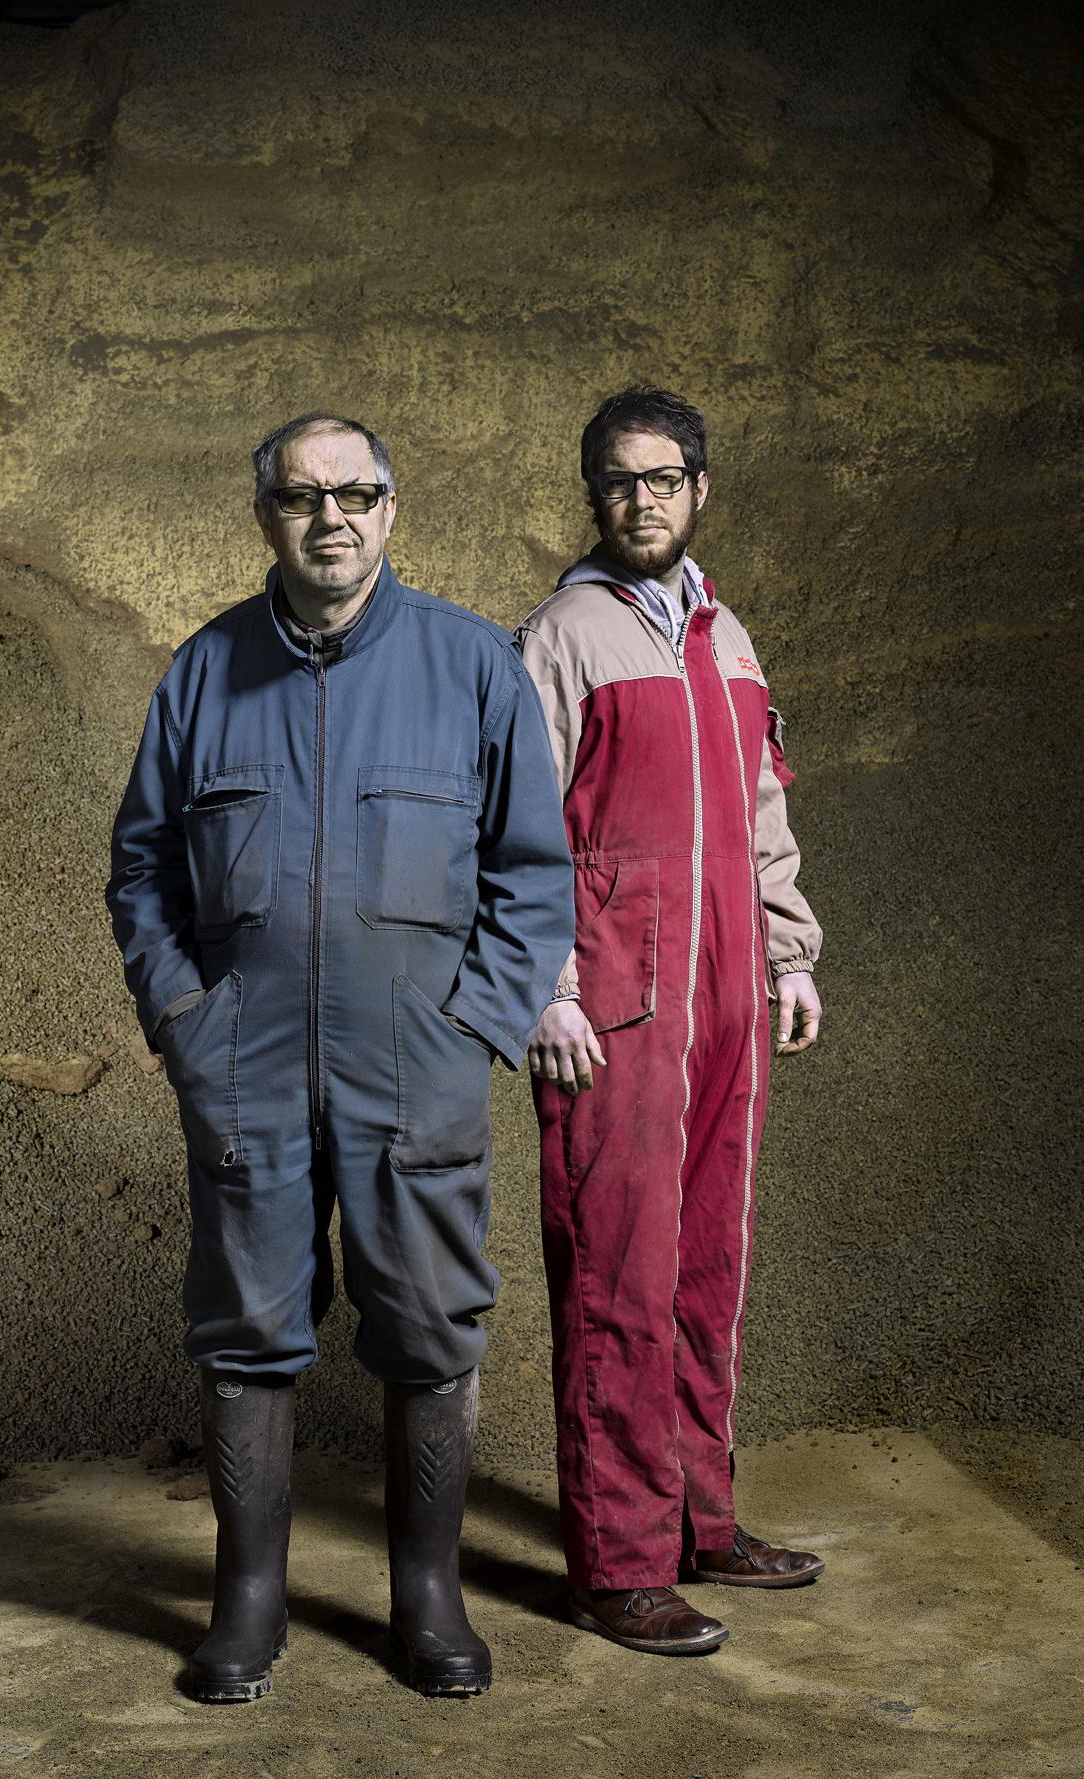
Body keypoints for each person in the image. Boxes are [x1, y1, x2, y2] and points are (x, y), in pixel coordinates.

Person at [106, 412, 574, 1700]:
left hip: (415, 1072)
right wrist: (183, 1020)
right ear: (265, 515)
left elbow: (536, 880)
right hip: (244, 1072)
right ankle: (247, 1601)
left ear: (390, 509)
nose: (332, 518)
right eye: (303, 498)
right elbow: (141, 870)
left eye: (355, 494)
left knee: (429, 1330)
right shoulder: (204, 671)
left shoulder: (473, 666)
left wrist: (471, 1029)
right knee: (247, 1333)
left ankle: (426, 1597)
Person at [516, 385, 826, 1658]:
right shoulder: (560, 637)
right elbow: (514, 833)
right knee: (618, 1278)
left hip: (730, 998)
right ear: (594, 496)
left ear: (699, 489)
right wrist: (545, 989)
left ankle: (701, 1518)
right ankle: (620, 1564)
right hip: (616, 1004)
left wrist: (790, 954)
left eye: (661, 478)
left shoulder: (728, 636)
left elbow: (759, 814)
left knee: (708, 1262)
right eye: (616, 480)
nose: (638, 499)